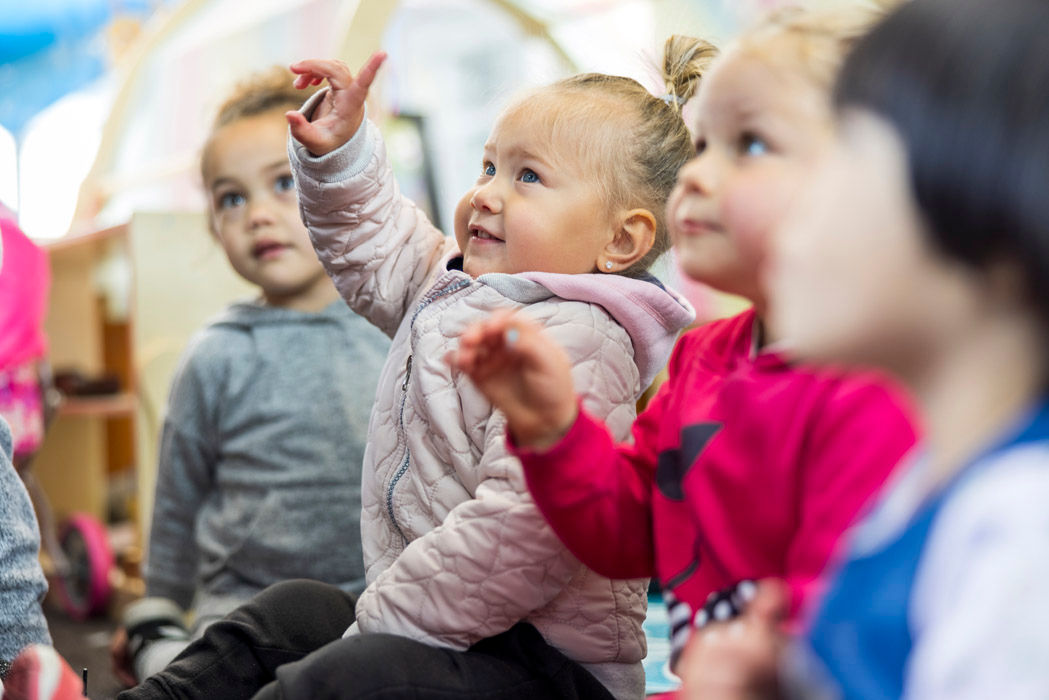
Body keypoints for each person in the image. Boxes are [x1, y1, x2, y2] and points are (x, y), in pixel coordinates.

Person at [119, 37, 704, 700]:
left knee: (351, 675)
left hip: (546, 670)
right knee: (288, 613)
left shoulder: (583, 342)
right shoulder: (452, 288)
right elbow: (376, 243)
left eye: (527, 177)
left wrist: (379, 628)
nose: (485, 194)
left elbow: (520, 534)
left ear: (619, 240)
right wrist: (338, 155)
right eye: (488, 167)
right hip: (443, 626)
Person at [452, 3, 917, 682]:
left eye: (748, 146)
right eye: (699, 146)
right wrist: (554, 431)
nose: (694, 177)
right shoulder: (706, 358)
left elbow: (853, 623)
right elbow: (630, 533)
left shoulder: (876, 384)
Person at [678, 0, 1049, 698]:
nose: (799, 201)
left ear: (993, 218)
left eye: (843, 155)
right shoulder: (921, 490)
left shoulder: (1023, 531)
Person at [109, 67, 391, 687]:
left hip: (377, 603)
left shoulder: (393, 328)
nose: (259, 215)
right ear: (213, 227)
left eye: (284, 183)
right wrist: (159, 604)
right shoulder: (216, 354)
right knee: (217, 671)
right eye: (232, 199)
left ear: (336, 190)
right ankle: (160, 657)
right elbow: (178, 498)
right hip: (239, 614)